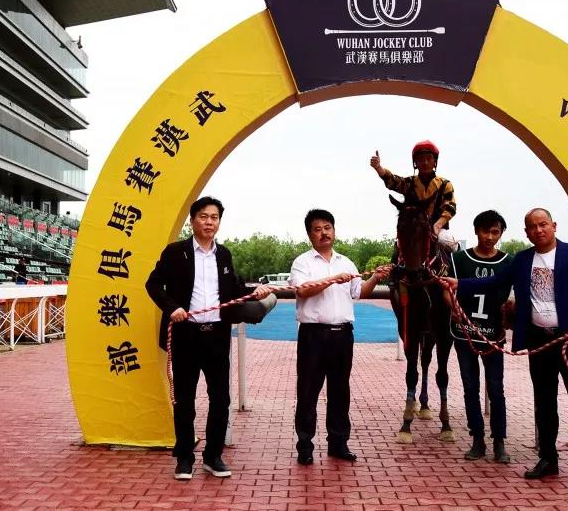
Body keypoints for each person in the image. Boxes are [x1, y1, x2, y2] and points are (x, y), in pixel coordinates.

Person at [443, 208, 568, 488]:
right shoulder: (523, 260)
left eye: (543, 224)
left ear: (553, 225)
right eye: (532, 227)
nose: (538, 230)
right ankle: (548, 459)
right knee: (544, 403)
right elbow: (495, 282)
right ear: (526, 232)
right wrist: (461, 284)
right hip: (539, 343)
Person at [145, 196, 274, 481]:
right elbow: (152, 284)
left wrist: (256, 291)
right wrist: (172, 308)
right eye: (203, 217)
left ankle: (213, 456)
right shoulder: (175, 252)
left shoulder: (224, 254)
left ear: (219, 222)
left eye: (214, 217)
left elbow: (234, 290)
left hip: (216, 335)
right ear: (192, 221)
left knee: (220, 398)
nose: (209, 222)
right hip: (185, 335)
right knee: (184, 400)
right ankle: (184, 458)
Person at [254, 209, 387, 465]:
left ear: (334, 231)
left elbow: (359, 292)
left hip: (343, 336)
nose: (324, 233)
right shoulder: (302, 263)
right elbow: (303, 291)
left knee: (340, 391)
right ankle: (305, 446)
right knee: (308, 391)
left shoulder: (346, 262)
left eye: (328, 227)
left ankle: (338, 443)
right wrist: (332, 279)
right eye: (317, 229)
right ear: (309, 234)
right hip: (313, 336)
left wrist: (374, 278)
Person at [446, 210, 514, 464]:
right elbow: (446, 288)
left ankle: (499, 441)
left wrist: (511, 312)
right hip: (465, 334)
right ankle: (477, 439)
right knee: (470, 387)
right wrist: (453, 307)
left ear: (501, 233)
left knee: (496, 388)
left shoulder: (508, 262)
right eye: (485, 231)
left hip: (493, 335)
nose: (490, 236)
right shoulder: (458, 259)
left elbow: (514, 296)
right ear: (476, 231)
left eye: (495, 232)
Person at [370, 141, 457, 244]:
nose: (425, 162)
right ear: (415, 162)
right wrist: (379, 168)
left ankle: (459, 254)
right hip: (413, 229)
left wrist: (437, 225)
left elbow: (450, 208)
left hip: (438, 228)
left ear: (435, 161)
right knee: (398, 245)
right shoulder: (409, 183)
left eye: (429, 158)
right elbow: (393, 181)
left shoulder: (445, 184)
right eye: (421, 159)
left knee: (447, 242)